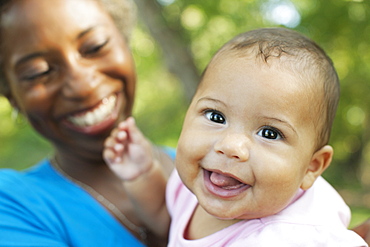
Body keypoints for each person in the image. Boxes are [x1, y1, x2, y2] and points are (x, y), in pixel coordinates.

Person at [104, 28, 369, 246]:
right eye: (216, 117)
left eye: (269, 133)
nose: (231, 147)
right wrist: (141, 173)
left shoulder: (289, 238)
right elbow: (166, 215)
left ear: (311, 167)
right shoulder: (200, 181)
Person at [0, 0, 173, 246]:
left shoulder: (215, 169)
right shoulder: (14, 206)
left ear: (125, 39)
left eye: (95, 46)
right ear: (12, 96)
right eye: (38, 72)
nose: (83, 86)